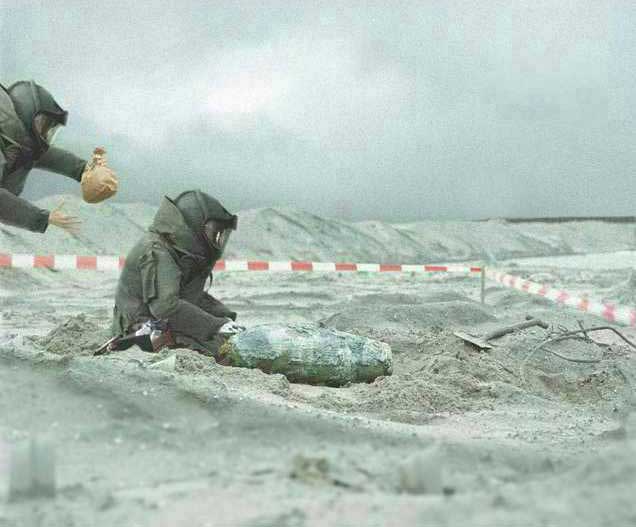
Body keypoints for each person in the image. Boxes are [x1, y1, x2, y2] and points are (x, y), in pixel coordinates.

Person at [110, 190, 242, 357]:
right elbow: (165, 306)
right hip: (138, 332)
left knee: (225, 342)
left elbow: (188, 295)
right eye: (214, 234)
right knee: (223, 354)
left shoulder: (177, 251)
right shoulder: (157, 251)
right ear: (194, 224)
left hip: (159, 323)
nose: (217, 241)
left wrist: (223, 316)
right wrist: (216, 325)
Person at [0, 80, 118, 234]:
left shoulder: (16, 143)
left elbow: (49, 157)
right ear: (26, 113)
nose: (44, 134)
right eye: (43, 124)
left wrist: (86, 170)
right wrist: (43, 217)